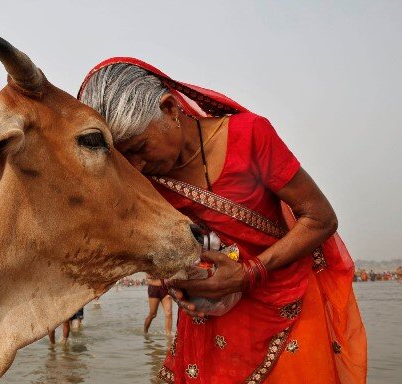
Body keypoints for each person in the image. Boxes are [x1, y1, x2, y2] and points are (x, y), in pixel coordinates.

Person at [79, 58, 367, 383]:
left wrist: (246, 274)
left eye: (139, 148)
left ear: (171, 108)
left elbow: (320, 218)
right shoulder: (147, 182)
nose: (137, 166)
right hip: (212, 318)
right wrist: (182, 289)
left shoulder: (250, 136)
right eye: (125, 158)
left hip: (287, 300)